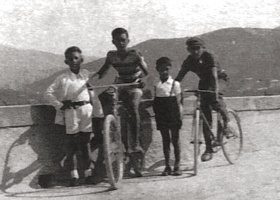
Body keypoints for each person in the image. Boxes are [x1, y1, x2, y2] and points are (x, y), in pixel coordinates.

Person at [90, 28, 149, 173]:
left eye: (123, 40)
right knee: (104, 97)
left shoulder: (135, 54)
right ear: (113, 42)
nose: (120, 43)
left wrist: (142, 81)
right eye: (117, 40)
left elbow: (146, 73)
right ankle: (108, 128)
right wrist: (90, 81)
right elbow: (103, 71)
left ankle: (134, 144)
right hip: (120, 83)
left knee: (133, 105)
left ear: (128, 40)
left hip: (134, 84)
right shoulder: (111, 55)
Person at [45, 46, 94, 186]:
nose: (73, 61)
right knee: (72, 145)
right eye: (70, 59)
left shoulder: (86, 74)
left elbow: (99, 80)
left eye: (76, 58)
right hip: (71, 111)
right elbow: (48, 93)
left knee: (85, 144)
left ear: (81, 60)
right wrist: (60, 105)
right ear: (66, 61)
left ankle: (88, 174)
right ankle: (74, 176)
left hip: (86, 110)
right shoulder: (63, 78)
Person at [175, 37, 230, 162]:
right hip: (204, 82)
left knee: (216, 102)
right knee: (205, 117)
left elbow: (214, 77)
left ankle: (226, 122)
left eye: (197, 48)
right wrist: (172, 89)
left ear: (202, 48)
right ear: (188, 50)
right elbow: (179, 77)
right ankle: (209, 149)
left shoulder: (209, 56)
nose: (195, 52)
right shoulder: (189, 60)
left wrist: (215, 95)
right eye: (192, 49)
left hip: (219, 80)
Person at [153, 57, 183, 176]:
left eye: (166, 69)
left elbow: (179, 101)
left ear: (169, 69)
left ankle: (177, 165)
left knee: (175, 140)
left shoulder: (175, 84)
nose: (164, 72)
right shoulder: (156, 84)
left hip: (173, 113)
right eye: (161, 69)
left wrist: (180, 116)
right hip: (161, 113)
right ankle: (167, 166)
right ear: (157, 70)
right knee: (165, 140)